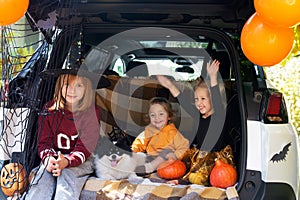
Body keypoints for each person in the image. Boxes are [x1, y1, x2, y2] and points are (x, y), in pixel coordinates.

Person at [22, 67, 106, 200]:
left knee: (67, 175)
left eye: (79, 85)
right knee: (43, 174)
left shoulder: (90, 112)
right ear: (59, 86)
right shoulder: (49, 110)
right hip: (54, 158)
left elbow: (86, 146)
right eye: (67, 85)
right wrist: (49, 159)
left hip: (82, 159)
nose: (72, 90)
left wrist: (67, 161)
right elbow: (44, 142)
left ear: (86, 90)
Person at [157, 59, 227, 152]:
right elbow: (182, 100)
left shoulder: (219, 115)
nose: (198, 103)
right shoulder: (197, 115)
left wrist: (213, 76)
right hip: (200, 156)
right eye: (196, 99)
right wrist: (169, 85)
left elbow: (216, 98)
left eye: (203, 99)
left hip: (216, 158)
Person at [132, 97, 189, 174]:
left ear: (169, 116)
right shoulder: (149, 130)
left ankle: (149, 168)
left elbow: (185, 146)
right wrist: (133, 151)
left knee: (166, 151)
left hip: (165, 161)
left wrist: (175, 155)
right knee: (139, 155)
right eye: (153, 115)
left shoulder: (173, 132)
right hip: (150, 158)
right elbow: (139, 142)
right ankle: (139, 168)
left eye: (161, 114)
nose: (157, 118)